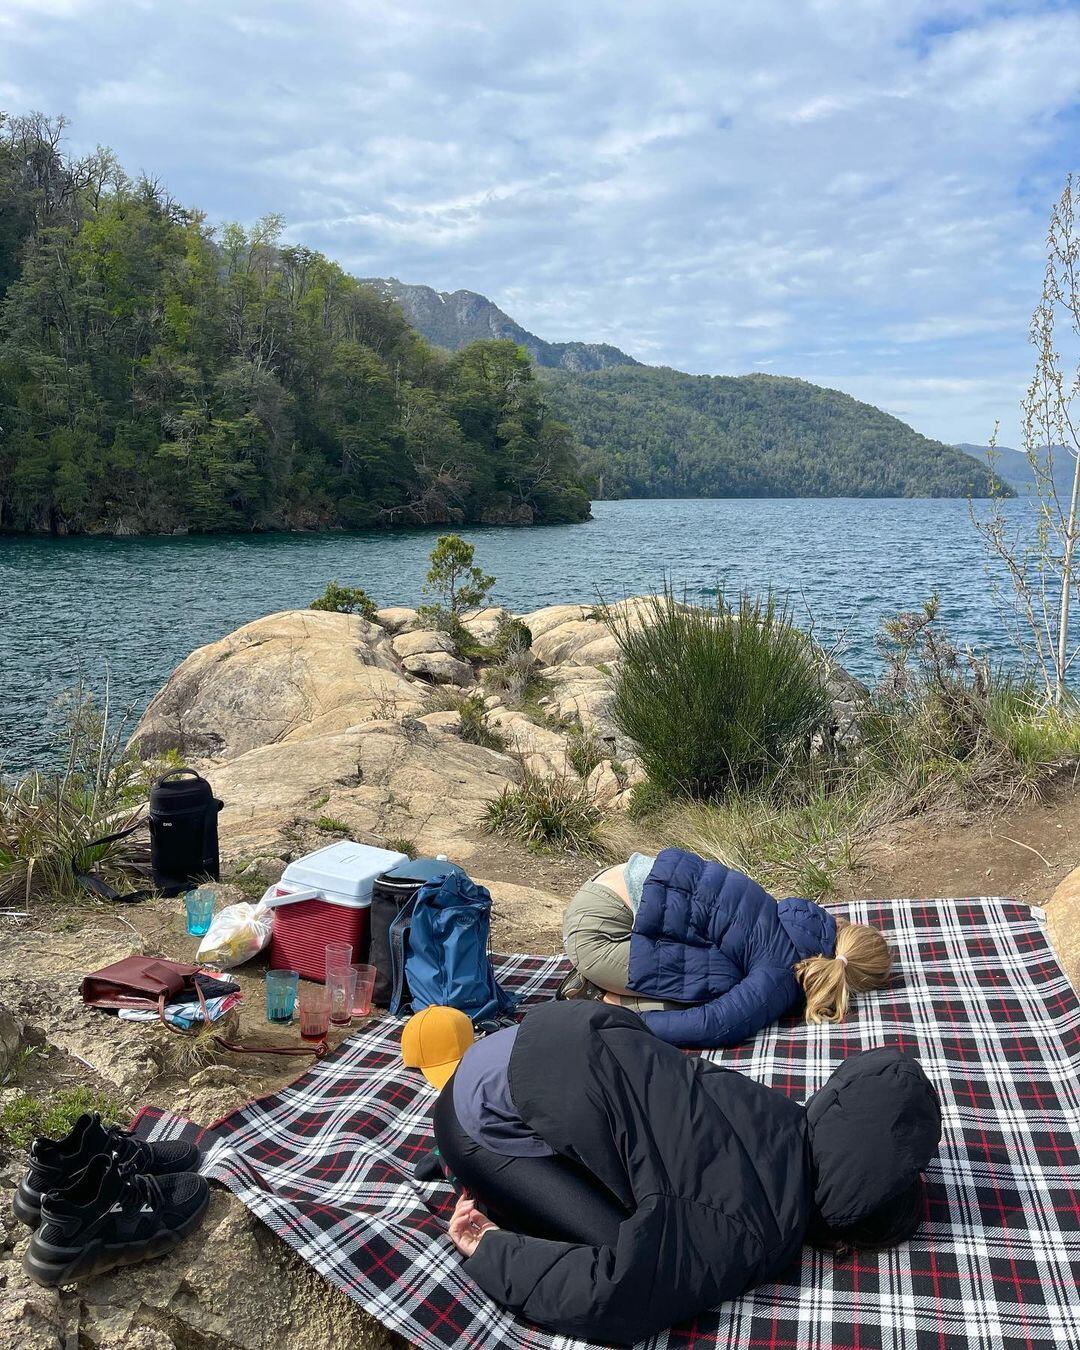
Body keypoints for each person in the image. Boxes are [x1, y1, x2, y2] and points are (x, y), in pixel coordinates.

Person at [426, 1000, 941, 1345]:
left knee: (643, 1168)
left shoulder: (781, 1114)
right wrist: (492, 1250)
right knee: (622, 1246)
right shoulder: (756, 1230)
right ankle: (478, 1179)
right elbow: (614, 1299)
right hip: (478, 1118)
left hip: (548, 1031)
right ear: (844, 1236)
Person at [558, 846, 892, 1047]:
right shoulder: (782, 970)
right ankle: (605, 1000)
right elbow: (716, 1023)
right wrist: (635, 1025)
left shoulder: (793, 915)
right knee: (720, 983)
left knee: (720, 952)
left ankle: (602, 982)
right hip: (595, 933)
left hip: (612, 883)